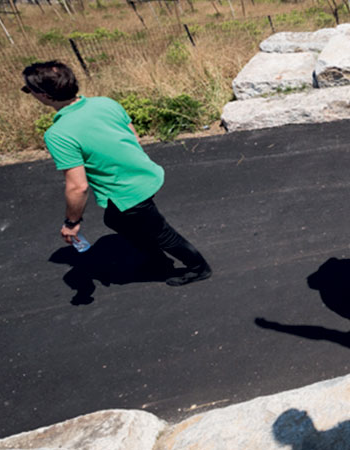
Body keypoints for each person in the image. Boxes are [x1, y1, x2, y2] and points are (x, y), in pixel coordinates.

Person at [21, 61, 211, 286]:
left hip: (126, 191)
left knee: (161, 233)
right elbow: (133, 136)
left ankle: (198, 268)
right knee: (115, 220)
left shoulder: (59, 134)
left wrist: (71, 223)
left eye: (30, 91)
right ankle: (155, 258)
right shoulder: (104, 103)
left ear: (43, 95)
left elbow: (78, 186)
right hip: (145, 173)